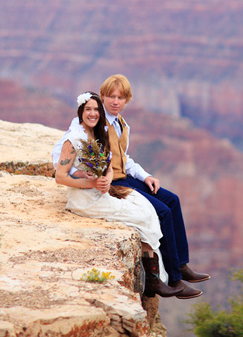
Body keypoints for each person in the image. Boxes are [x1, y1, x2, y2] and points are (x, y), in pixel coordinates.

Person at [52, 75, 209, 297]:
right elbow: (62, 155)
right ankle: (174, 279)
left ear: (127, 100)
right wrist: (84, 175)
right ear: (102, 97)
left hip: (124, 175)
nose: (116, 101)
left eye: (121, 97)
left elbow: (124, 158)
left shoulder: (122, 124)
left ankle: (182, 265)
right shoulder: (94, 123)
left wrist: (146, 176)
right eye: (111, 97)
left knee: (172, 200)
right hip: (114, 183)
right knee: (161, 212)